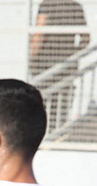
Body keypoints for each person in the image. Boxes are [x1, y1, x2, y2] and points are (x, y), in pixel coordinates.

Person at [30, 0, 89, 129]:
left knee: (43, 101)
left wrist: (32, 60)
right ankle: (58, 131)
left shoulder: (47, 4)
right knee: (62, 101)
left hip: (45, 64)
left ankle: (46, 135)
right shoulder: (75, 6)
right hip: (66, 66)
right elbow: (86, 38)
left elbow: (39, 35)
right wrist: (72, 55)